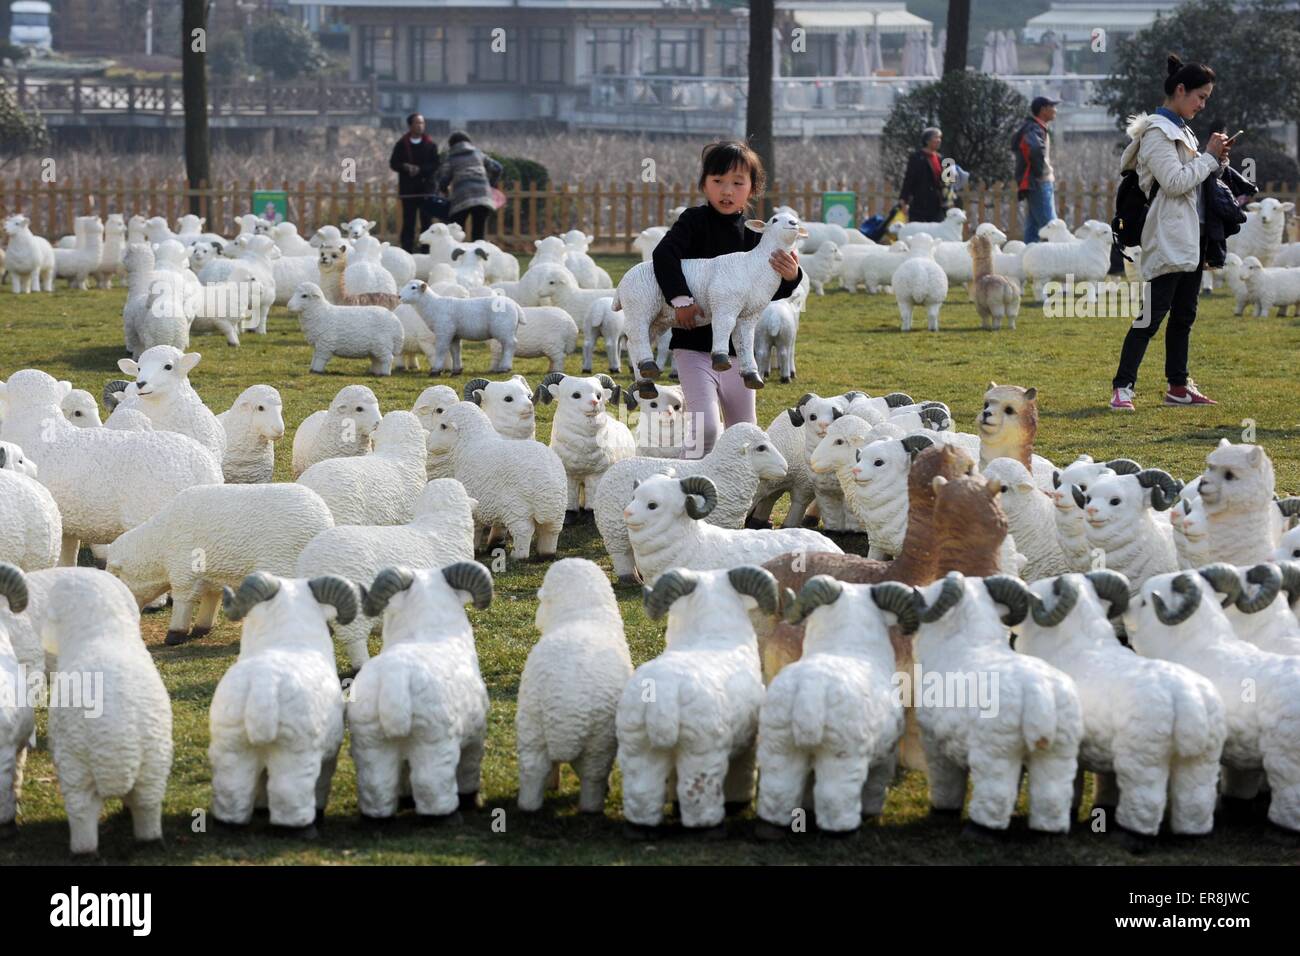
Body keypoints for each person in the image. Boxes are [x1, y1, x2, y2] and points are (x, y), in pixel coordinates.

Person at [652, 141, 803, 458]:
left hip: (739, 355)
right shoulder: (692, 222)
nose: (727, 190)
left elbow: (768, 291)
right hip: (692, 346)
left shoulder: (759, 235)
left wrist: (792, 277)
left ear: (753, 188)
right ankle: (679, 489)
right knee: (705, 428)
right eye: (718, 181)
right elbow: (664, 255)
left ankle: (737, 503)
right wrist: (680, 298)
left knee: (744, 434)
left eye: (738, 183)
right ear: (704, 183)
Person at [1108, 54, 1230, 412]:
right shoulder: (1158, 132)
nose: (1203, 104)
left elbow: (1194, 182)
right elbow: (1175, 183)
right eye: (1200, 96)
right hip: (1167, 234)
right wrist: (1207, 158)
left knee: (1184, 316)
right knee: (1151, 315)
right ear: (1180, 89)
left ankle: (1178, 385)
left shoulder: (1183, 129)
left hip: (1193, 235)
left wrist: (1217, 162)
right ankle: (1122, 387)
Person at [388, 113, 441, 253]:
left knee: (427, 222)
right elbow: (394, 163)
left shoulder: (430, 144)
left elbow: (435, 164)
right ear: (410, 125)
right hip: (409, 190)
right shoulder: (401, 144)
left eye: (422, 123)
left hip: (426, 189)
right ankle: (407, 250)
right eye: (417, 123)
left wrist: (420, 170)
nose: (420, 126)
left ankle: (426, 251)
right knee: (408, 222)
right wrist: (405, 167)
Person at [436, 131, 503, 242]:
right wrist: (491, 184)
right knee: (478, 232)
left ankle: (455, 256)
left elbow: (444, 178)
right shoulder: (478, 153)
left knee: (456, 231)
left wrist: (444, 190)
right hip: (483, 196)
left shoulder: (451, 157)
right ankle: (477, 256)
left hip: (462, 197)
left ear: (451, 144)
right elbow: (497, 168)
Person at [1012, 96, 1060, 243]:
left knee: (1033, 226)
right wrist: (1040, 172)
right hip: (1039, 181)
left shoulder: (1034, 127)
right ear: (1043, 110)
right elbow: (1035, 149)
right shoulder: (1034, 128)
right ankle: (1055, 260)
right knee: (1051, 226)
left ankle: (1027, 257)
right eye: (1052, 106)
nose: (1055, 110)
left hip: (1036, 181)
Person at [897, 127, 945, 225]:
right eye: (936, 137)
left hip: (936, 204)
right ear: (927, 140)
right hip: (920, 203)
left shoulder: (942, 158)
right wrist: (904, 199)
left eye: (940, 138)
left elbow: (948, 182)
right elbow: (909, 179)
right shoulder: (916, 157)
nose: (939, 140)